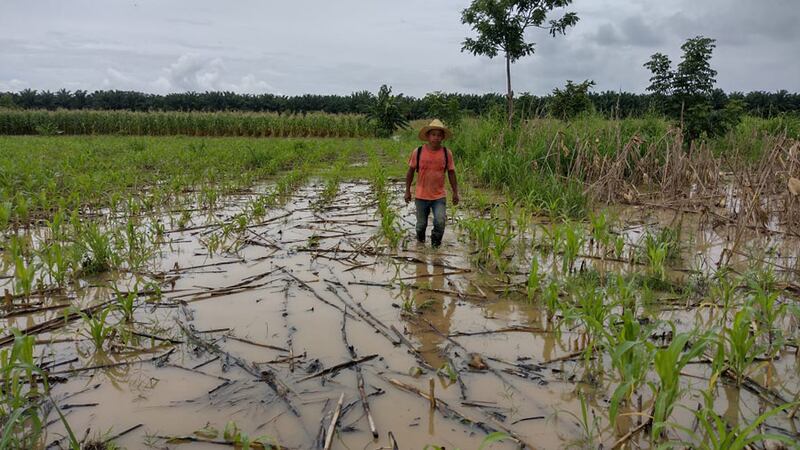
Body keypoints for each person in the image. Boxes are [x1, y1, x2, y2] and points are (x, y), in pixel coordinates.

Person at [404, 119, 459, 247]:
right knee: (421, 225)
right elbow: (410, 172)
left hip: (439, 196)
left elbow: (451, 173)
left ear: (443, 137)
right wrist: (407, 190)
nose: (436, 138)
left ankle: (435, 249)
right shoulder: (418, 152)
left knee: (440, 222)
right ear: (428, 136)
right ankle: (421, 246)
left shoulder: (446, 153)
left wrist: (455, 192)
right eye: (433, 134)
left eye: (439, 135)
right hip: (421, 195)